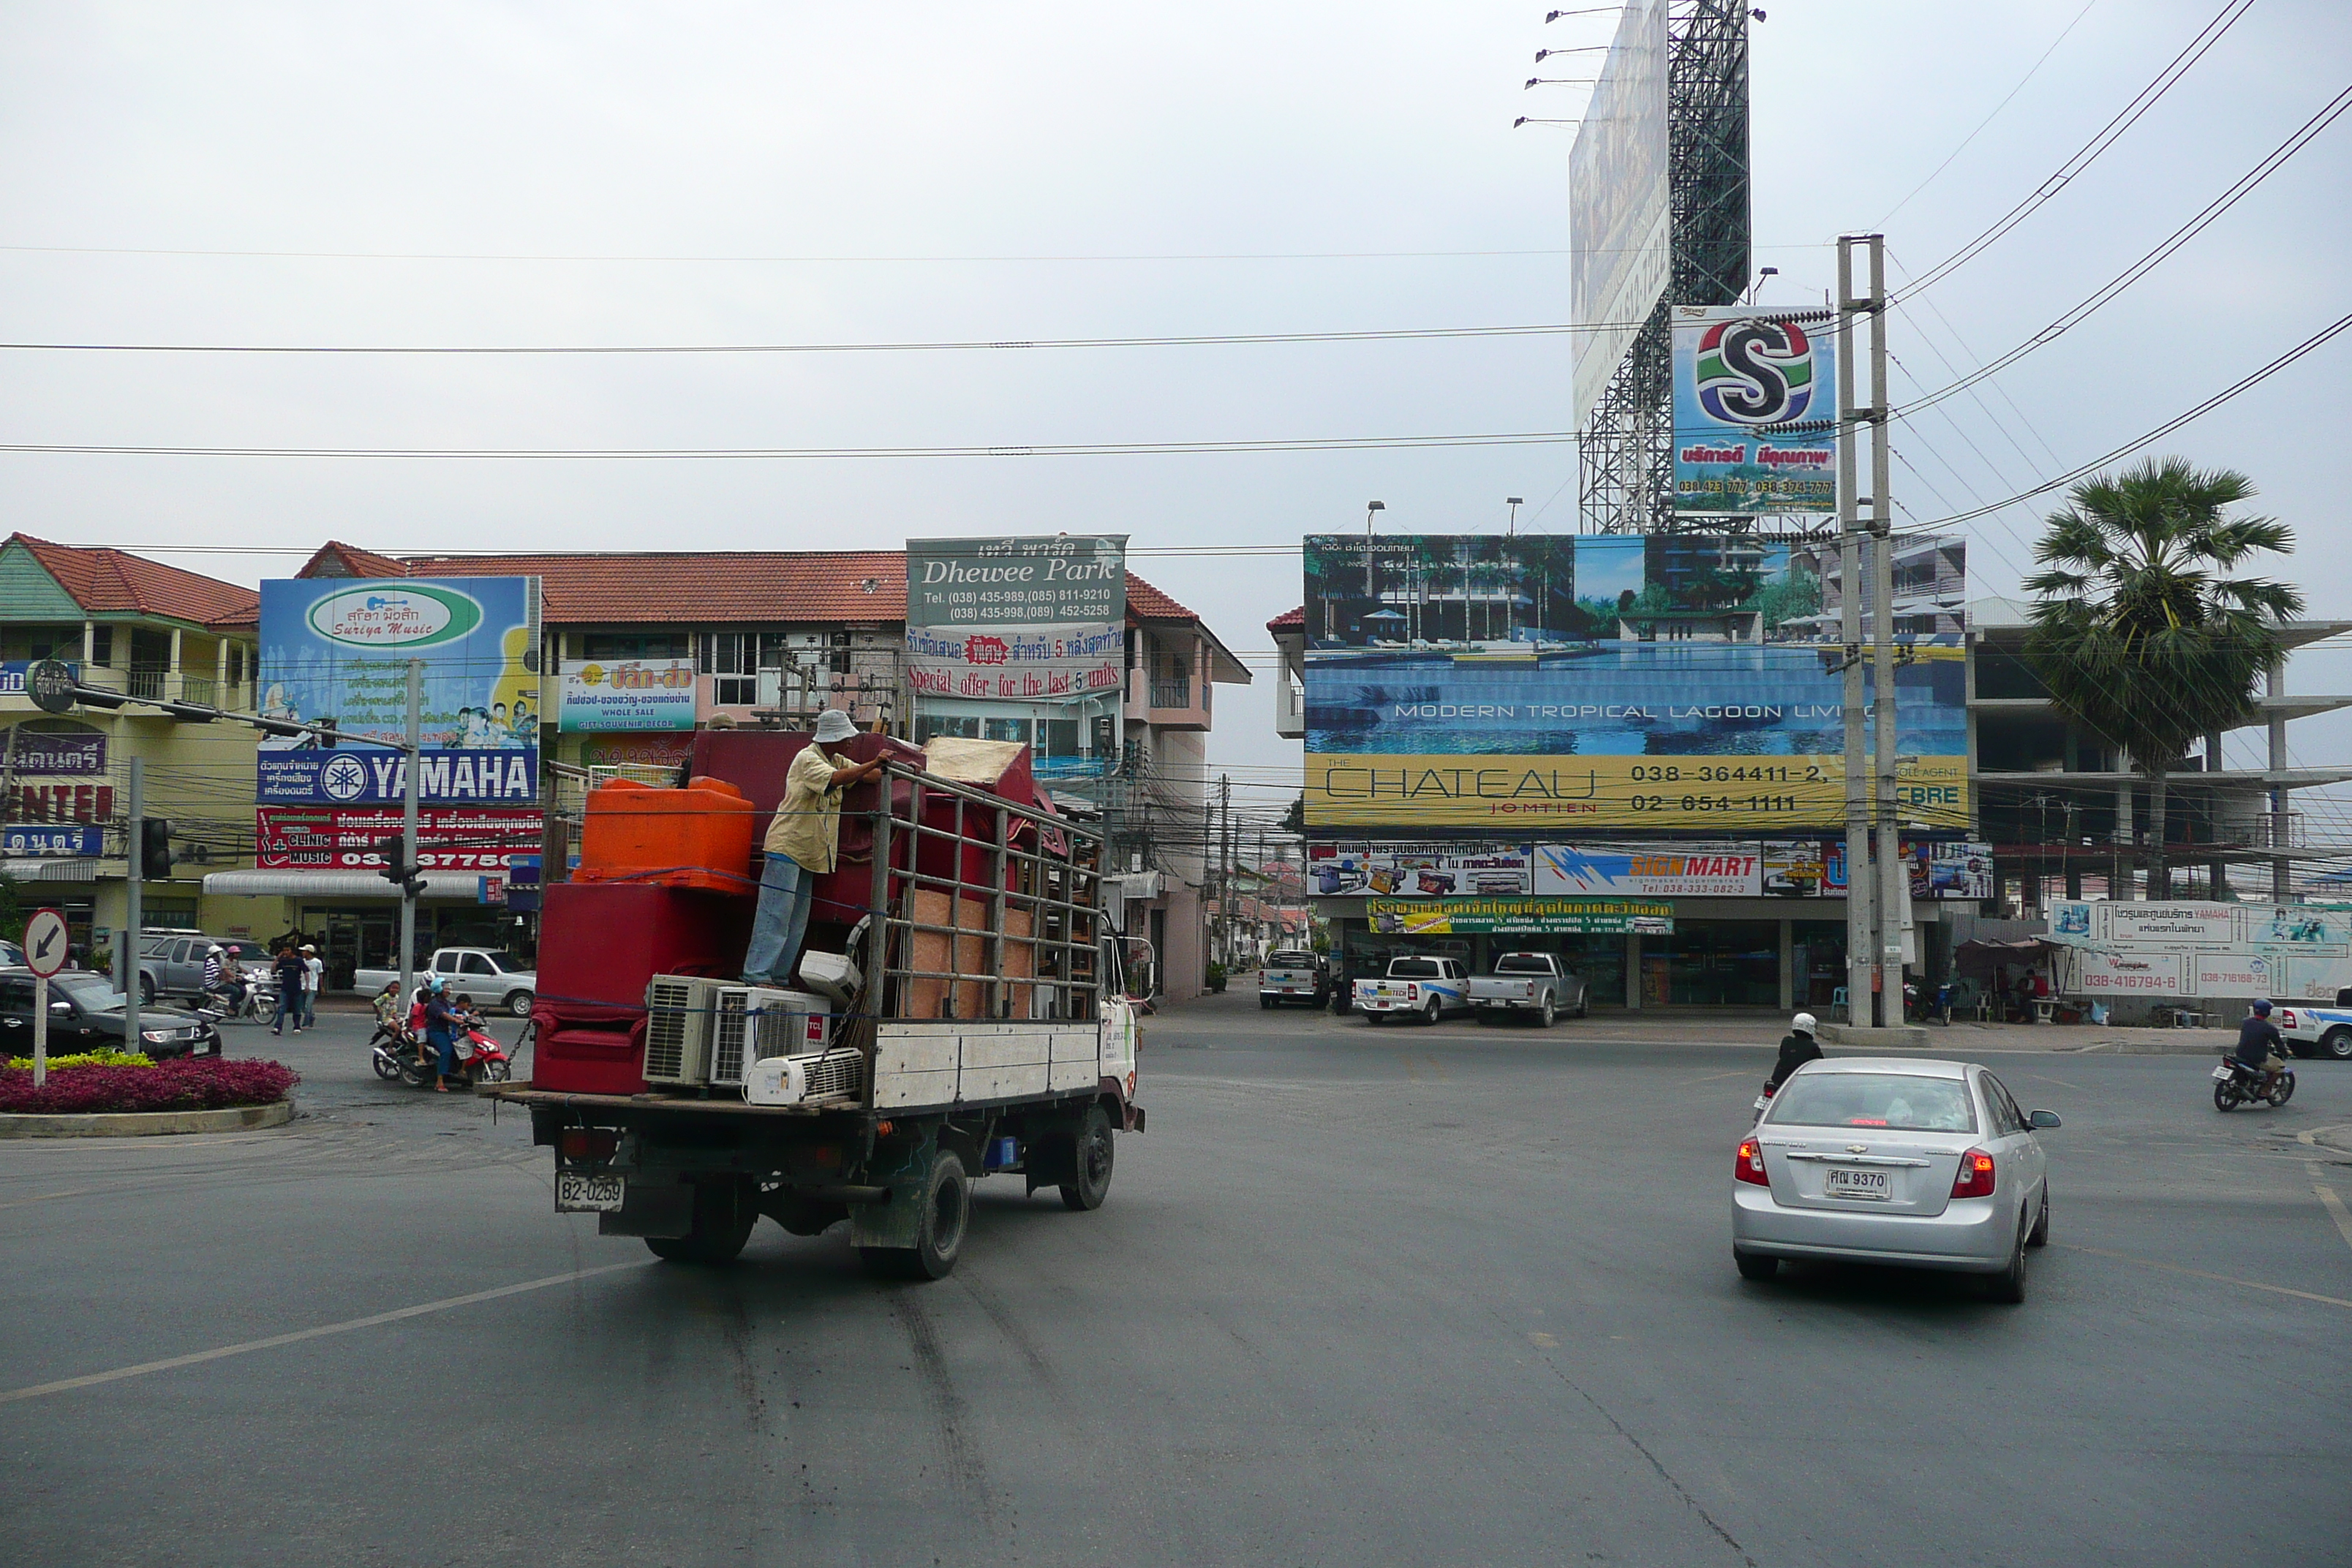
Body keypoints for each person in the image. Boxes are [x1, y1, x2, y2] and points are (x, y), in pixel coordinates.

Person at [742, 709, 885, 989]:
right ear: (831, 739)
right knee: (775, 915)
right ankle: (757, 974)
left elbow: (866, 776)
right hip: (787, 847)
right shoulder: (808, 759)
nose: (849, 743)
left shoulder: (836, 759)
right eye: (845, 738)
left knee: (796, 922)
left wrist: (889, 767)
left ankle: (779, 976)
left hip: (810, 853)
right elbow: (836, 780)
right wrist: (873, 764)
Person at [1766, 1011, 1824, 1092]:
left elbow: (1782, 1055)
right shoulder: (1812, 1046)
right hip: (1799, 1083)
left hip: (1779, 1080)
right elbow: (1819, 1063)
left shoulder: (1786, 1041)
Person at [2236, 998, 2288, 1085]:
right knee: (2280, 1068)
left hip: (2240, 1054)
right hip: (2257, 1058)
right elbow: (2279, 1044)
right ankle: (2266, 1090)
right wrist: (2285, 1052)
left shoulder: (2245, 1022)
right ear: (2267, 1012)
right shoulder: (2270, 1028)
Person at [422, 977, 459, 1092]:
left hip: (447, 1031)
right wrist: (455, 1020)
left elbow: (455, 1010)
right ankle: (439, 1082)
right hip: (436, 1032)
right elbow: (444, 1015)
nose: (449, 991)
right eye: (446, 988)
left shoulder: (446, 1002)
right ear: (438, 989)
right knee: (446, 1051)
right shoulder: (435, 1004)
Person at [271, 943, 307, 1036]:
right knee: (282, 1008)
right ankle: (277, 1027)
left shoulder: (298, 961)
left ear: (292, 951)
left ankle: (297, 1027)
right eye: (284, 951)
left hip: (296, 988)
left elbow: (306, 972)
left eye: (288, 950)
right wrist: (277, 959)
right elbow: (273, 970)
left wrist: (307, 985)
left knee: (297, 1009)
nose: (286, 952)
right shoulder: (283, 961)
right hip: (285, 988)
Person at [298, 943, 323, 1030]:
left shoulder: (317, 962)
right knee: (302, 1006)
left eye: (304, 951)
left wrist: (321, 987)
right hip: (302, 985)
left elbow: (320, 975)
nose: (302, 953)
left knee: (308, 1005)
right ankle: (311, 1017)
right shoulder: (302, 961)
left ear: (309, 952)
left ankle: (306, 1023)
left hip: (312, 986)